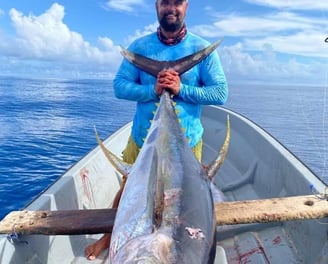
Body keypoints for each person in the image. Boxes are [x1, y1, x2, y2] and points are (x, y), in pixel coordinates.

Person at [85, 0, 228, 260]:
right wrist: (154, 89)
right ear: (156, 6)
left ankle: (184, 241)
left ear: (186, 5)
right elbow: (119, 86)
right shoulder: (140, 47)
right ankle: (109, 236)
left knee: (183, 200)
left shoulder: (200, 48)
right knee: (129, 191)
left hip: (186, 142)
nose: (171, 8)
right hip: (143, 140)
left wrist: (180, 89)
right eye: (165, 2)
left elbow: (220, 93)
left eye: (177, 2)